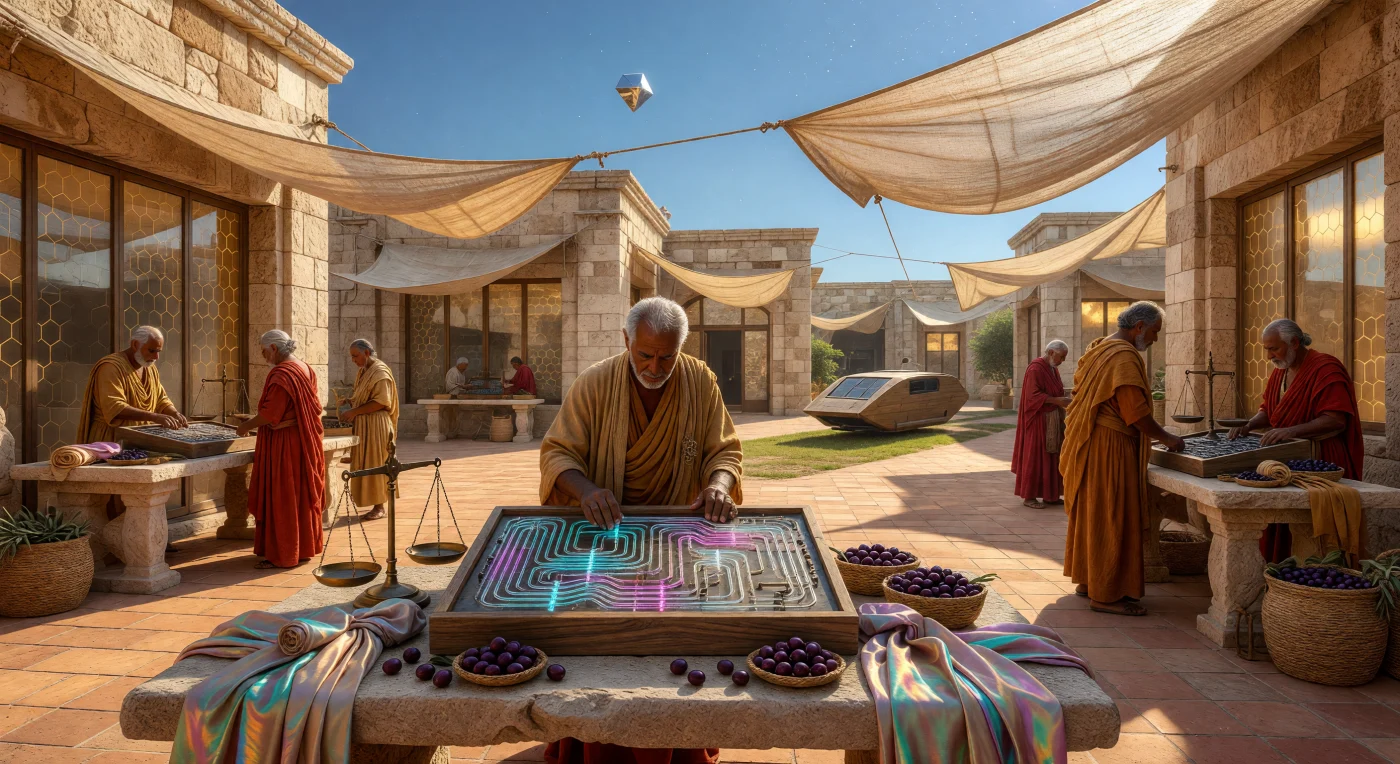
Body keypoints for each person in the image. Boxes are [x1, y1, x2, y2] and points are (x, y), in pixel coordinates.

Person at [539, 297, 742, 764]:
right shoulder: (594, 383)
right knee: (604, 653)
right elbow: (556, 454)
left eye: (666, 356)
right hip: (606, 536)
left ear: (681, 349)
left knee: (675, 652)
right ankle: (589, 746)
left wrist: (717, 484)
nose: (655, 366)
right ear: (626, 340)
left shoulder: (700, 381)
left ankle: (682, 749)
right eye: (645, 354)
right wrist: (587, 489)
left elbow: (725, 451)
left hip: (675, 540)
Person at [1061, 302, 1185, 617]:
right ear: (1140, 326)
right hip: (1110, 446)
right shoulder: (1122, 356)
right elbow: (1136, 413)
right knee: (1114, 515)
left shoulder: (1099, 347)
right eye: (1155, 332)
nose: (1155, 339)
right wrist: (1168, 438)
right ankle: (1107, 595)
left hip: (1092, 443)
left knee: (1095, 512)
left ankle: (1090, 581)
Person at [1228, 318, 1364, 561]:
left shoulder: (1325, 368)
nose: (1269, 356)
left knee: (1316, 534)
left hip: (1320, 457)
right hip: (1285, 461)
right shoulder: (1281, 372)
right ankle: (1280, 583)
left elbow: (1335, 420)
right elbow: (1269, 411)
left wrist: (1291, 431)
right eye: (1266, 349)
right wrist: (1248, 426)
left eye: (1274, 348)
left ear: (1293, 343)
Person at [235, 330, 326, 569]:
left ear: (274, 348)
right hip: (303, 440)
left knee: (283, 497)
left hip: (285, 444)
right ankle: (303, 549)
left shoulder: (282, 374)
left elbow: (271, 414)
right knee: (299, 495)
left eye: (264, 351)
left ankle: (283, 553)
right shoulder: (305, 367)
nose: (263, 355)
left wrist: (246, 425)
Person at [78, 325, 188, 444]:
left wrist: (174, 413)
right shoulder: (111, 367)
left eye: (158, 351)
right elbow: (115, 407)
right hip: (112, 440)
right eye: (151, 351)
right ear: (135, 345)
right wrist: (155, 417)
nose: (156, 357)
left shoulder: (150, 368)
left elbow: (161, 399)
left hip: (141, 438)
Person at [341, 339, 400, 522]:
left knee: (376, 461)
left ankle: (379, 506)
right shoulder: (363, 371)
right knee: (365, 462)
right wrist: (352, 401)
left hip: (377, 426)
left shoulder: (380, 372)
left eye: (355, 356)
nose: (353, 360)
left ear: (366, 353)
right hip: (365, 425)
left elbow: (382, 401)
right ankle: (372, 502)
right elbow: (365, 397)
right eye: (351, 356)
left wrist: (354, 411)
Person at [1013, 340, 1071, 508]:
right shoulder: (1036, 368)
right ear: (1051, 352)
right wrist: (1057, 400)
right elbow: (1032, 397)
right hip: (1038, 421)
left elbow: (1056, 390)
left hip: (1052, 419)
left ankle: (1050, 495)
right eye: (1062, 357)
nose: (1063, 361)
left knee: (1052, 457)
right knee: (1036, 457)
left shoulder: (1053, 369)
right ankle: (1029, 497)